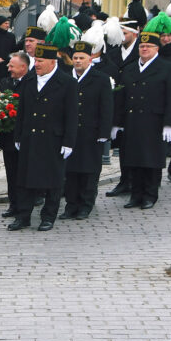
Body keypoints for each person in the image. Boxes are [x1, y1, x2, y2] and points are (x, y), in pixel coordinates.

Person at [8, 43, 78, 231]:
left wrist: (69, 141)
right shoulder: (30, 80)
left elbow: (72, 115)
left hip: (53, 139)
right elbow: (22, 111)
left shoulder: (67, 82)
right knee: (25, 179)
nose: (36, 64)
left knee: (53, 180)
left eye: (40, 61)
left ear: (52, 62)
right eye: (35, 60)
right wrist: (18, 136)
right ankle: (23, 216)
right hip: (30, 137)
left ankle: (48, 216)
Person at [111, 32, 171, 208]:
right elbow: (121, 98)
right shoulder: (130, 68)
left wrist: (169, 124)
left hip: (154, 122)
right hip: (132, 121)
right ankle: (135, 195)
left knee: (151, 161)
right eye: (142, 46)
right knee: (133, 159)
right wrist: (117, 123)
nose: (145, 49)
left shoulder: (167, 68)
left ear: (157, 49)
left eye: (149, 46)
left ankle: (150, 195)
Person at [62, 42, 112, 220]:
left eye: (81, 58)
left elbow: (106, 108)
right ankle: (71, 205)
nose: (77, 61)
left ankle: (86, 204)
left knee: (89, 171)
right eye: (75, 58)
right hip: (71, 134)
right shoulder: (66, 78)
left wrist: (104, 132)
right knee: (71, 171)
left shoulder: (101, 79)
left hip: (91, 133)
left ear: (90, 59)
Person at [104, 20, 141, 197]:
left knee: (135, 145)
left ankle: (136, 181)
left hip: (134, 104)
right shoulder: (113, 53)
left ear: (135, 33)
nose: (122, 37)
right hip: (117, 104)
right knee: (122, 145)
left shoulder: (140, 51)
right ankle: (124, 181)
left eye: (125, 33)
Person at [0, 52, 29, 217]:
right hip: (8, 136)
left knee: (24, 173)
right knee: (11, 172)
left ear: (23, 67)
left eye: (12, 66)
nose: (8, 68)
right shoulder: (5, 82)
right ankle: (13, 204)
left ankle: (25, 205)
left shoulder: (32, 82)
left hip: (25, 137)